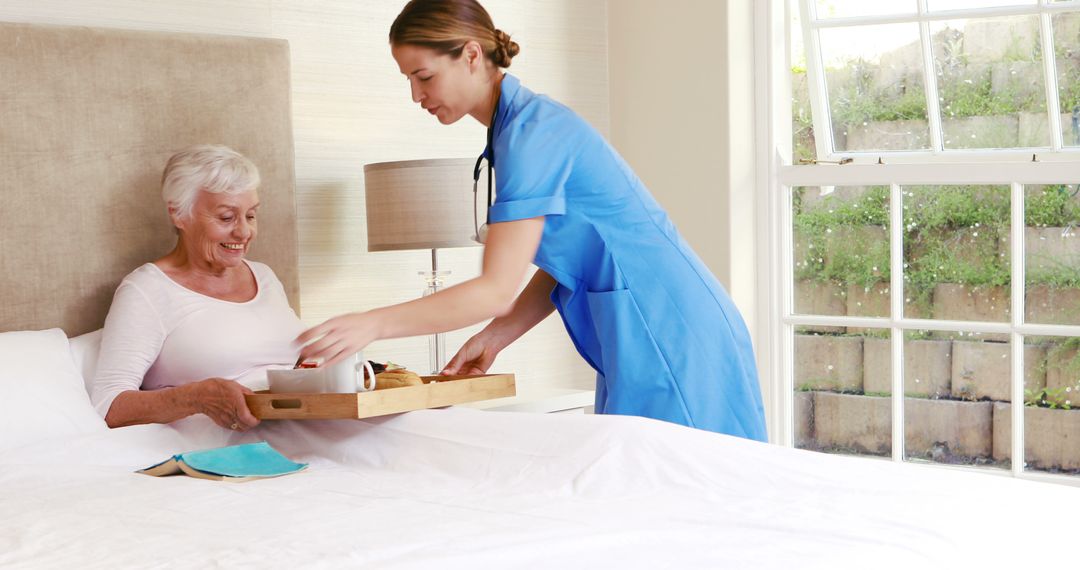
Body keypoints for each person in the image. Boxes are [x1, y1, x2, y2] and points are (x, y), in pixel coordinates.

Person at [299, 0, 766, 440]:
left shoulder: (532, 134)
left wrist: (372, 324)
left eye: (423, 76)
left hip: (671, 330)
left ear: (470, 55)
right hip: (645, 328)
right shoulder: (514, 131)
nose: (416, 95)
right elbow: (571, 258)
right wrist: (496, 335)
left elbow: (495, 289)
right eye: (409, 80)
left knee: (688, 501)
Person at [90, 144, 303, 431]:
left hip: (301, 426)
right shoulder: (147, 291)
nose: (243, 232)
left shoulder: (264, 276)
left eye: (250, 215)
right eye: (226, 217)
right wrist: (196, 398)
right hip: (227, 445)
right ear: (179, 214)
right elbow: (109, 406)